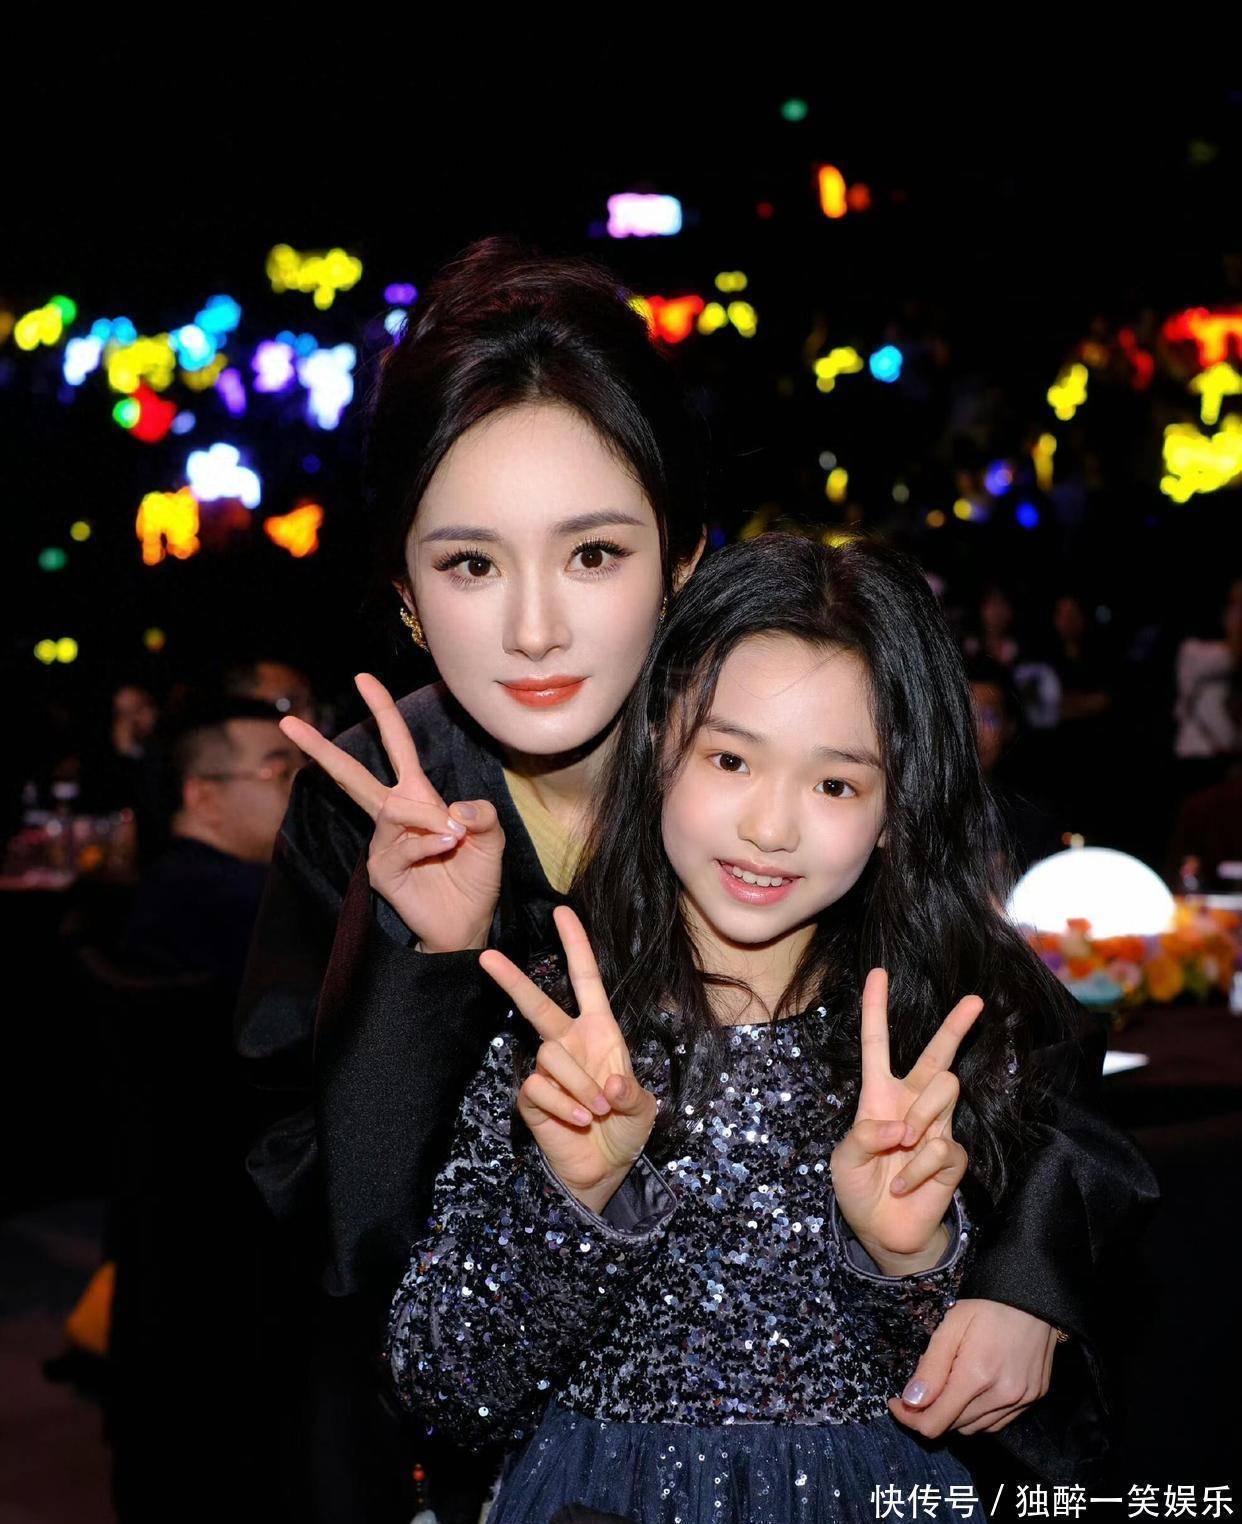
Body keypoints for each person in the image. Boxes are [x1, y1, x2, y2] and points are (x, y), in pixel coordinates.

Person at [237, 239, 1142, 1517]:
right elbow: (324, 1208)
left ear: (682, 560)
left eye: (594, 555)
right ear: (406, 595)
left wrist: (1016, 1279)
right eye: (471, 564)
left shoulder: (799, 747)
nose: (536, 630)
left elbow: (1030, 1049)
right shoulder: (377, 799)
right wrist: (423, 962)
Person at [381, 534, 1159, 1521]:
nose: (770, 827)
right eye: (731, 758)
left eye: (835, 784)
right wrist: (574, 1205)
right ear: (657, 747)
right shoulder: (557, 1027)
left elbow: (989, 1406)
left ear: (894, 811)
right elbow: (443, 1389)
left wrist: (906, 1263)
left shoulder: (940, 1044)